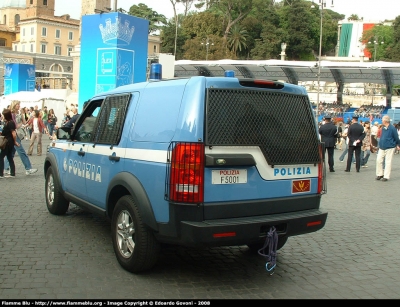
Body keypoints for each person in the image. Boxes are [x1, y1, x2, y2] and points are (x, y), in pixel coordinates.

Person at [3, 101, 38, 176]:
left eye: (19, 104)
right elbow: (14, 126)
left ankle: (6, 168)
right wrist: (21, 124)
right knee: (22, 152)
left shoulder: (18, 113)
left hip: (17, 134)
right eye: (17, 104)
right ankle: (28, 168)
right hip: (15, 134)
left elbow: (25, 122)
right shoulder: (12, 114)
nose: (19, 106)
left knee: (11, 152)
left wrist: (23, 115)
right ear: (14, 105)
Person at [375, 115, 400, 182]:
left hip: (390, 147)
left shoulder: (392, 128)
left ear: (385, 121)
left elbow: (396, 137)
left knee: (388, 162)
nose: (382, 121)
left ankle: (386, 176)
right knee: (378, 160)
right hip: (382, 147)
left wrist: (398, 144)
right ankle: (380, 174)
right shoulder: (383, 128)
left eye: (382, 120)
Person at [0, 109, 20, 178]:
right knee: (9, 157)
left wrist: (14, 142)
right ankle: (12, 173)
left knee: (1, 157)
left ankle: (1, 173)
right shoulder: (8, 122)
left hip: (8, 142)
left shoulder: (10, 123)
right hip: (9, 142)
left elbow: (13, 134)